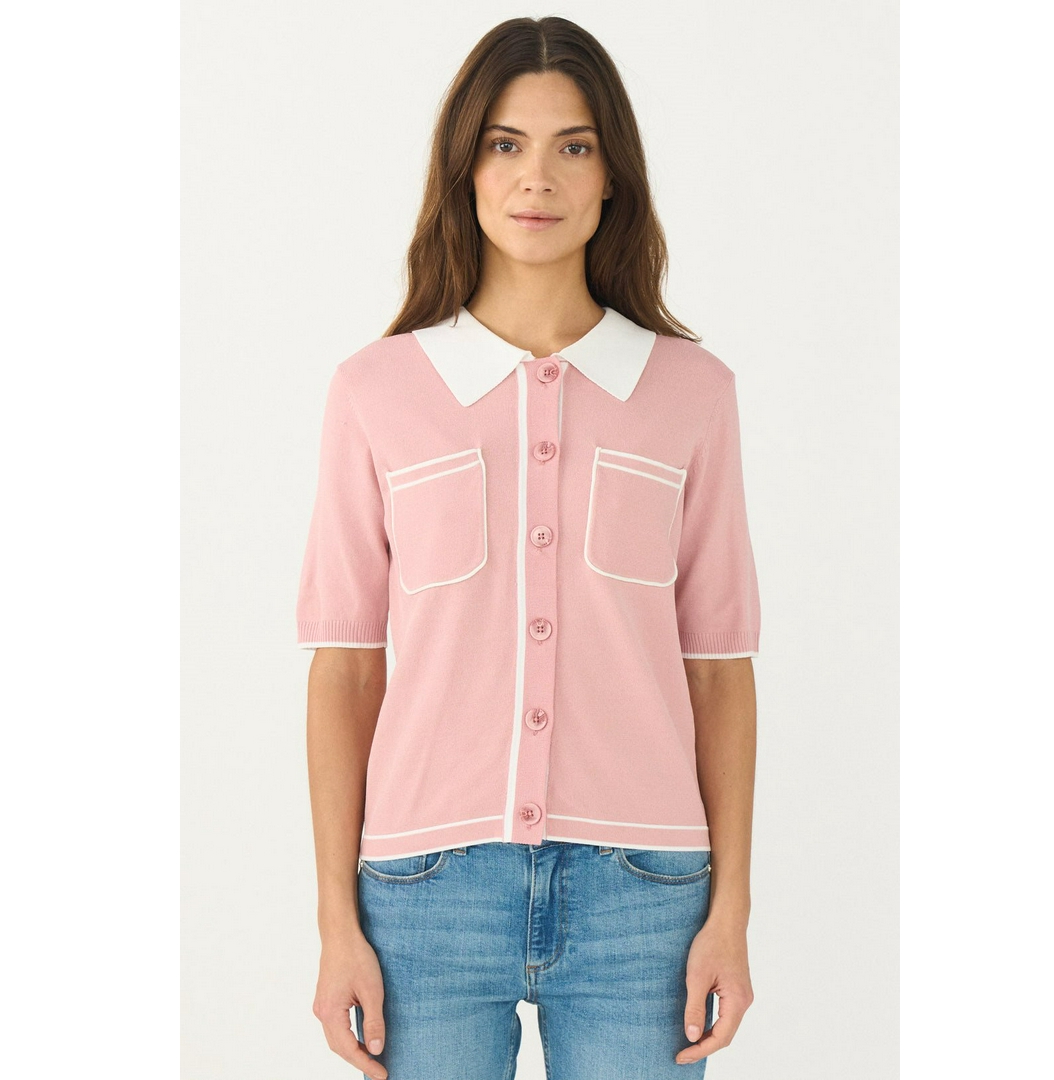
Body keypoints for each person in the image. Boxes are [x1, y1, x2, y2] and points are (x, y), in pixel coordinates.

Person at [297, 16, 760, 1080]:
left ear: (612, 177)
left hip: (646, 895)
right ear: (465, 170)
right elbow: (347, 668)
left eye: (573, 145)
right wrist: (336, 925)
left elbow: (719, 670)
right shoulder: (377, 391)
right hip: (424, 891)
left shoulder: (691, 393)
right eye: (505, 144)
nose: (536, 177)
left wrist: (730, 911)